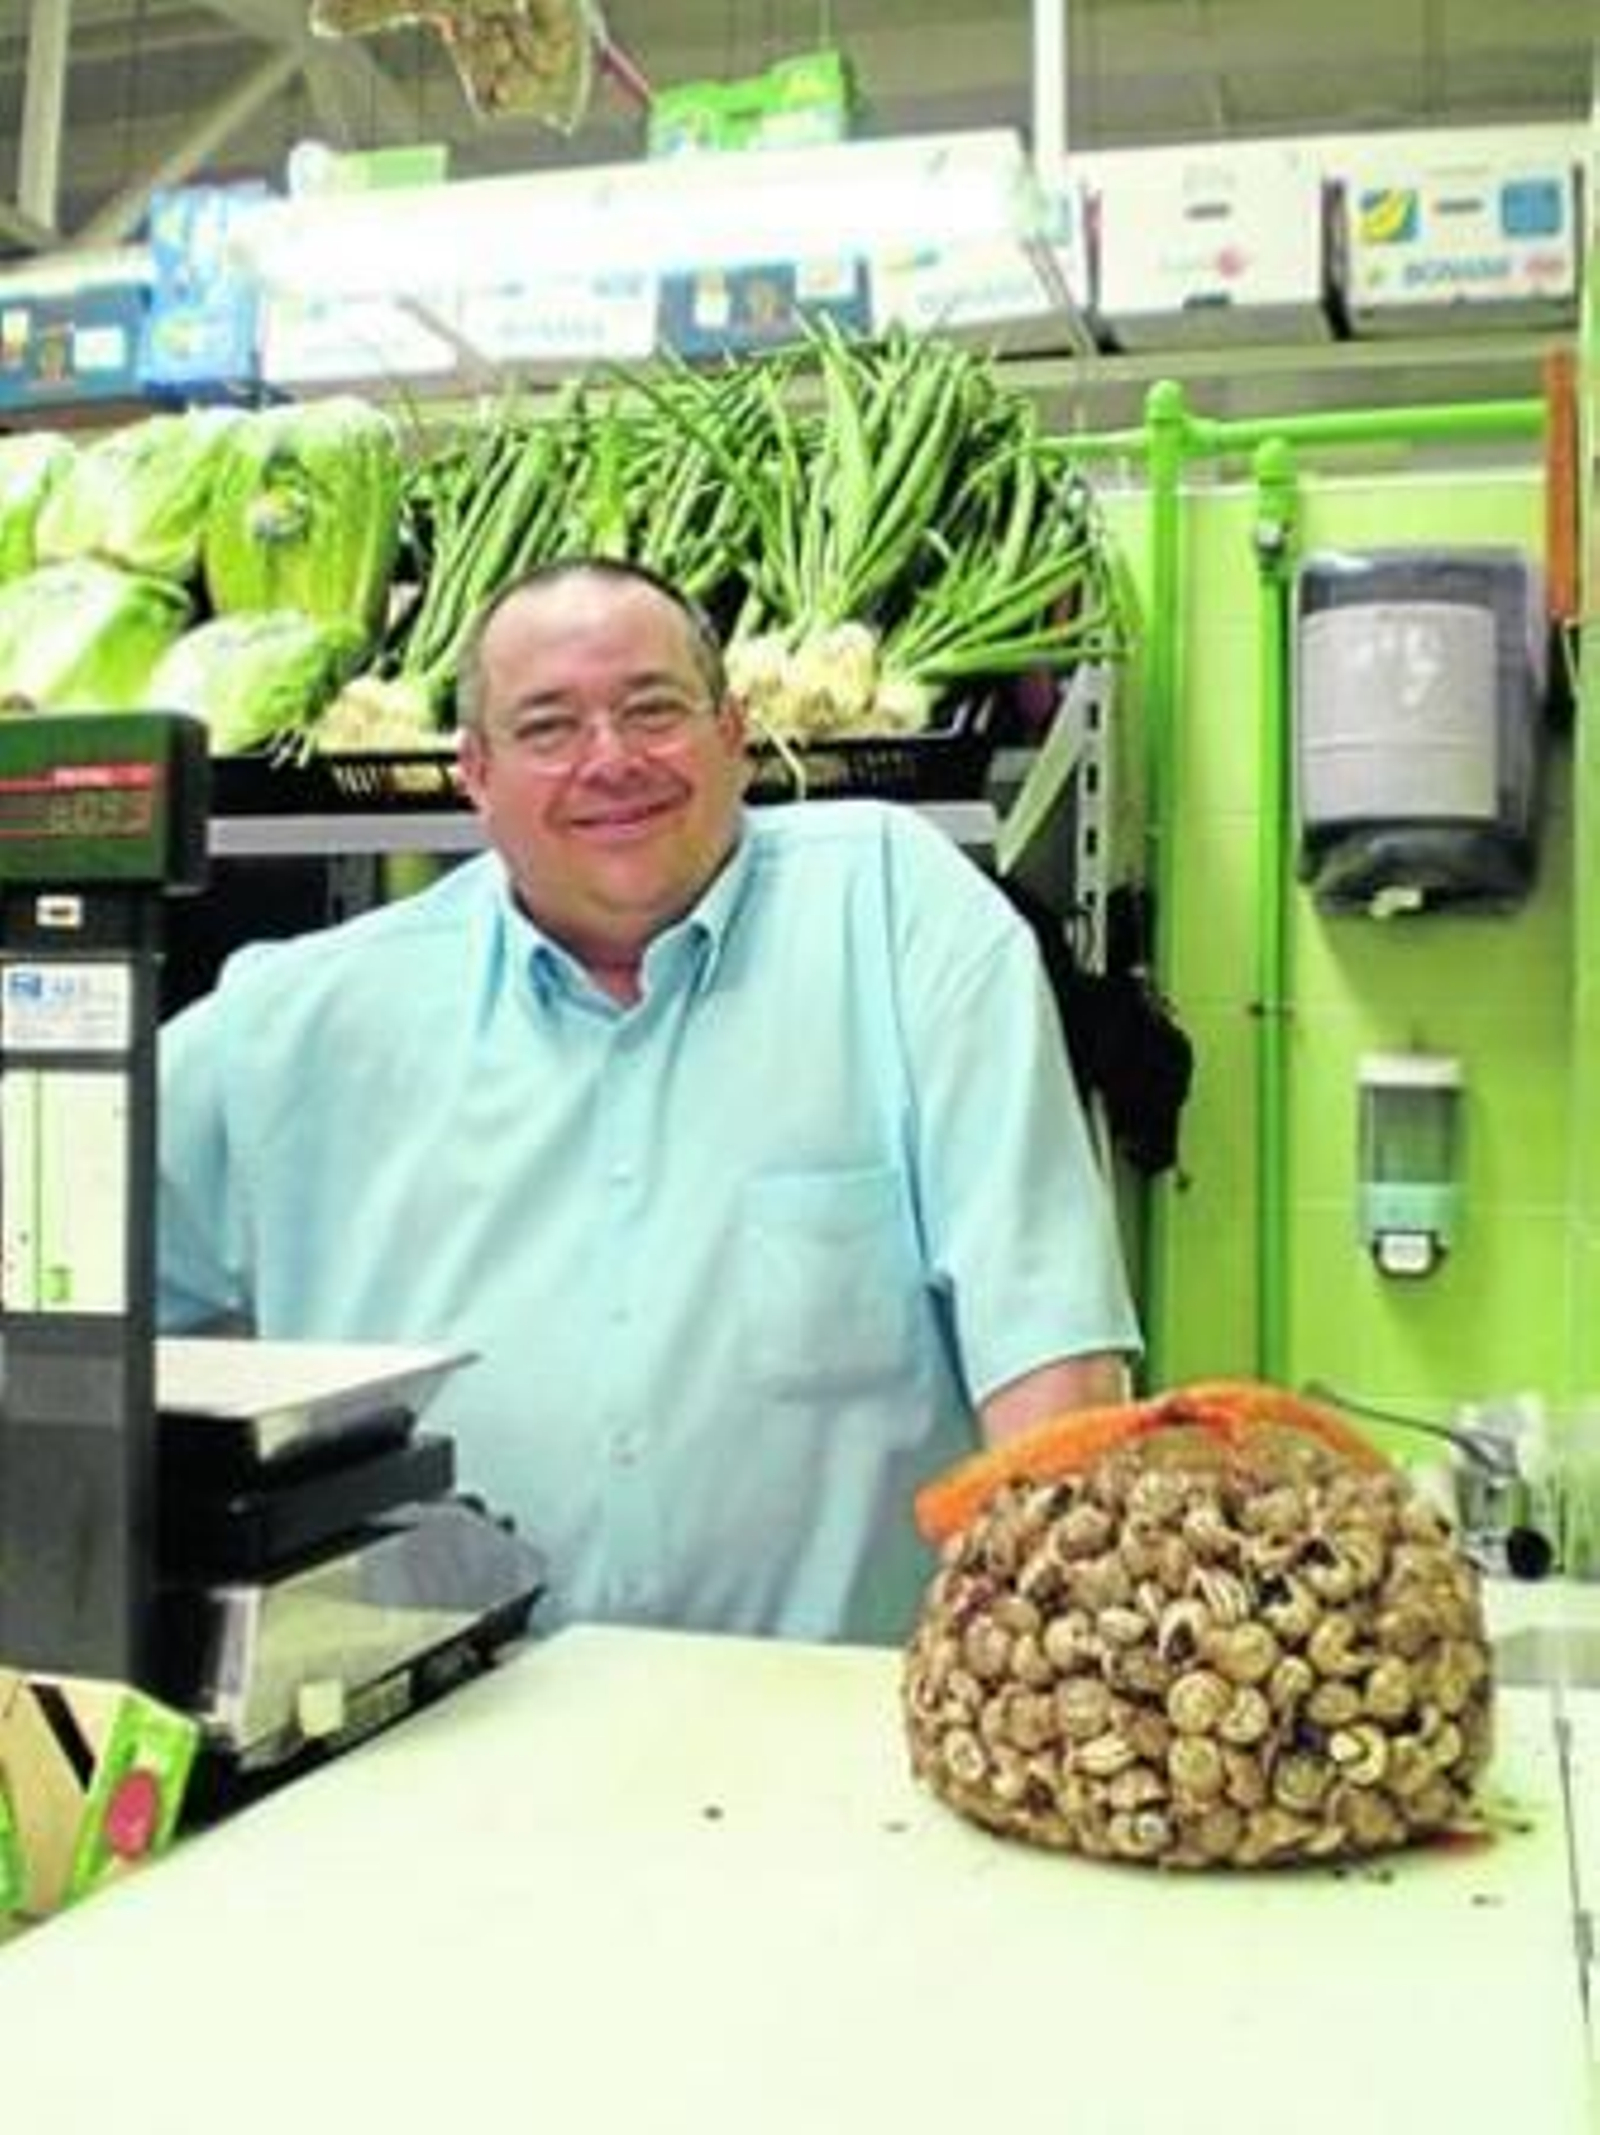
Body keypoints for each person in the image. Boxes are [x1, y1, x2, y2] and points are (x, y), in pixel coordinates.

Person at [158, 558, 1140, 1644]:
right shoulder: (301, 1021)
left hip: (831, 1748)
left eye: (653, 709)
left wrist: (1056, 1652)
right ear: (473, 773)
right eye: (548, 726)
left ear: (733, 732)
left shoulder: (897, 911)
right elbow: (51, 1239)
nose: (611, 760)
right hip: (433, 1739)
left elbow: (1048, 1340)